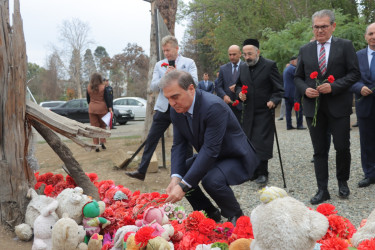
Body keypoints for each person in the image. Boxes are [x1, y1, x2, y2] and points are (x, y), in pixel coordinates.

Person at [162, 70, 259, 225]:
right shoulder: (176, 110)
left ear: (191, 89)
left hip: (235, 156)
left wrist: (183, 186)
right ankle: (209, 212)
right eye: (168, 98)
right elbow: (179, 145)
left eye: (175, 96)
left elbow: (210, 150)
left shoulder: (213, 106)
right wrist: (176, 178)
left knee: (211, 180)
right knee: (183, 172)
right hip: (214, 155)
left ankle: (236, 216)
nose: (172, 103)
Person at [294, 9, 360, 204]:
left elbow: (354, 73)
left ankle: (343, 182)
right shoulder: (305, 49)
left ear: (333, 26)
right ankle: (322, 189)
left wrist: (334, 86)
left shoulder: (346, 46)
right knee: (319, 150)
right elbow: (297, 77)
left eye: (324, 26)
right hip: (313, 108)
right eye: (316, 27)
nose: (320, 30)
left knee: (342, 147)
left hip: (338, 105)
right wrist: (305, 89)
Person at [126, 35, 198, 181]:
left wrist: (178, 74)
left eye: (168, 50)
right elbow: (152, 86)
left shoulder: (188, 62)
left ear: (177, 48)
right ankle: (141, 171)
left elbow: (195, 82)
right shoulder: (160, 65)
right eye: (164, 51)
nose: (166, 53)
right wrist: (164, 77)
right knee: (152, 138)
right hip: (163, 108)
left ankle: (189, 173)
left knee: (186, 141)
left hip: (182, 107)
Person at [236, 38, 284, 185]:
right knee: (249, 142)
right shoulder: (243, 67)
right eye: (244, 54)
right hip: (248, 111)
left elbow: (279, 89)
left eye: (250, 54)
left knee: (261, 142)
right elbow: (238, 85)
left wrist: (274, 100)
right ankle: (253, 171)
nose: (247, 57)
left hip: (264, 110)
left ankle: (263, 172)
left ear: (258, 52)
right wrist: (239, 93)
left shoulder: (269, 65)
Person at [351, 22, 375, 188]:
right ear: (365, 36)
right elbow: (350, 78)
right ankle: (370, 173)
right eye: (371, 34)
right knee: (367, 141)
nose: (374, 37)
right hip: (365, 105)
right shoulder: (357, 56)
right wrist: (359, 88)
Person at [215, 45, 245, 122]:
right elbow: (219, 86)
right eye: (230, 54)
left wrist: (238, 87)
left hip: (243, 106)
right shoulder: (223, 68)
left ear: (240, 54)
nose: (232, 57)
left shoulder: (246, 67)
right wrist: (224, 96)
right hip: (227, 106)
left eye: (234, 54)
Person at [87, 73, 113, 152]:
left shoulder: (88, 88)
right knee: (102, 126)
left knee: (94, 127)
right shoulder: (103, 87)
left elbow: (88, 100)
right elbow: (107, 99)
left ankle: (96, 145)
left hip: (92, 109)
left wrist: (92, 104)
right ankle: (102, 142)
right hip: (102, 108)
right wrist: (110, 108)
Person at [283, 56, 306, 130]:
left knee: (288, 110)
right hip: (293, 92)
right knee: (298, 108)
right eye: (296, 61)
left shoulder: (286, 69)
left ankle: (288, 125)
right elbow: (300, 77)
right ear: (292, 61)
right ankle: (299, 125)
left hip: (286, 92)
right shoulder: (293, 69)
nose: (298, 62)